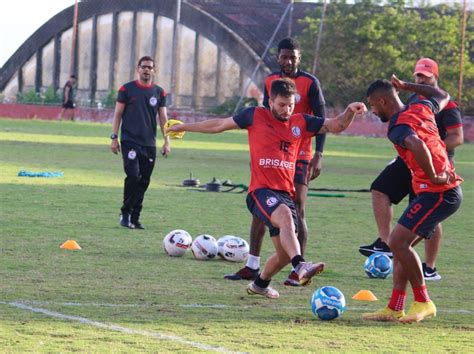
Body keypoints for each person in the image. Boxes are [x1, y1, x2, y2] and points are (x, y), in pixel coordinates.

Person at [168, 78, 367, 298]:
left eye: (290, 105)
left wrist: (350, 111)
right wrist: (184, 126)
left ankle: (260, 284)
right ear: (270, 101)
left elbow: (335, 125)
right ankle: (300, 265)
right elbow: (219, 125)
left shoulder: (301, 122)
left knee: (282, 255)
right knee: (286, 218)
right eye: (282, 104)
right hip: (260, 192)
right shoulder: (255, 116)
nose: (287, 109)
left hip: (284, 194)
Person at [225, 37, 326, 286]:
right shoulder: (270, 81)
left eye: (292, 57)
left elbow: (323, 121)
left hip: (300, 154)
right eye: (284, 56)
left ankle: (297, 267)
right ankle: (253, 265)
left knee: (297, 208)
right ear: (278, 57)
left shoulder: (311, 82)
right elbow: (263, 119)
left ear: (298, 58)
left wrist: (318, 155)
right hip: (272, 156)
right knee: (264, 211)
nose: (288, 61)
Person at [363, 76, 462, 323]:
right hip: (434, 191)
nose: (373, 111)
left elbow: (416, 144)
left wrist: (435, 175)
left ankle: (423, 301)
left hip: (440, 192)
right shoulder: (421, 107)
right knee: (400, 246)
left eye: (373, 105)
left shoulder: (397, 127)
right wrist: (407, 86)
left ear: (382, 101)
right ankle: (395, 307)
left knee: (397, 242)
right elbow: (442, 93)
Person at [110, 56, 170, 229]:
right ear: (138, 69)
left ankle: (135, 217)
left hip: (149, 143)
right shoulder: (127, 89)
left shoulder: (159, 92)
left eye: (149, 67)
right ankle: (125, 213)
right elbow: (118, 114)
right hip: (130, 140)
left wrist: (167, 141)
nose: (146, 70)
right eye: (143, 67)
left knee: (144, 180)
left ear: (154, 70)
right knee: (133, 176)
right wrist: (114, 138)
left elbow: (163, 117)